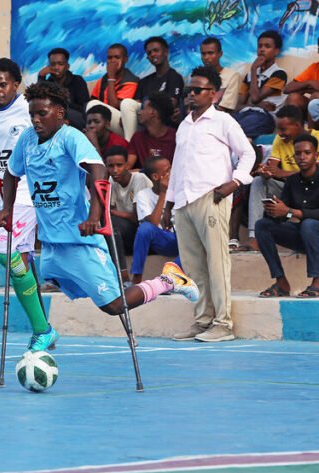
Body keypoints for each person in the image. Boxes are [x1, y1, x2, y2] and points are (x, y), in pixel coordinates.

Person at [0, 81, 198, 346]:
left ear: (59, 113)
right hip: (52, 242)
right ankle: (45, 333)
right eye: (32, 114)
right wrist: (6, 208)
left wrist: (95, 215)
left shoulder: (70, 137)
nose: (35, 120)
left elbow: (98, 171)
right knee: (43, 278)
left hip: (80, 241)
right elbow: (11, 173)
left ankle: (168, 280)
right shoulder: (28, 139)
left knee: (114, 305)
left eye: (41, 113)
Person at [165, 66, 256, 342]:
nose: (190, 94)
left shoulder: (223, 122)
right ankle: (203, 321)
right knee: (193, 268)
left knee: (217, 264)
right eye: (189, 90)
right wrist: (169, 203)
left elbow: (248, 153)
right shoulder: (184, 124)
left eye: (197, 90)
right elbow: (178, 167)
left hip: (211, 197)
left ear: (214, 94)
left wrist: (235, 182)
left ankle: (223, 324)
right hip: (183, 201)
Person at [0, 58, 58, 347]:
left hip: (28, 193)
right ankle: (42, 331)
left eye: (3, 85)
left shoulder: (29, 112)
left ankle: (43, 329)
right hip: (8, 196)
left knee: (0, 250)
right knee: (21, 264)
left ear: (16, 84)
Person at [245, 105, 319, 251]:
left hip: (313, 192)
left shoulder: (316, 138)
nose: (279, 133)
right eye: (278, 129)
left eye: (283, 129)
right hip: (288, 190)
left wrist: (281, 173)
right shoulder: (280, 139)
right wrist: (267, 173)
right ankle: (254, 237)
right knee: (259, 182)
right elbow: (273, 168)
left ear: (297, 125)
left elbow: (314, 171)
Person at [256, 133, 319, 298]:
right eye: (298, 154)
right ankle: (281, 282)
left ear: (316, 156)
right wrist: (274, 210)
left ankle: (317, 283)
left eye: (307, 153)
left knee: (309, 224)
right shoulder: (293, 181)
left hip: (313, 232)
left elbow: (295, 213)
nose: (302, 157)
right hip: (306, 237)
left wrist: (290, 211)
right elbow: (284, 214)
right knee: (262, 225)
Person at [105, 145, 151, 283]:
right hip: (124, 230)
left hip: (143, 231)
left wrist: (111, 211)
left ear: (127, 165)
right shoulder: (112, 180)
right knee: (108, 225)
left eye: (119, 165)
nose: (115, 170)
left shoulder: (139, 179)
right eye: (110, 166)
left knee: (113, 223)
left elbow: (137, 217)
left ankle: (123, 274)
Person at [130, 156, 180, 284]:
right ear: (156, 177)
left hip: (183, 241)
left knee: (194, 244)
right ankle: (137, 277)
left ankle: (166, 278)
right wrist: (163, 193)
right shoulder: (143, 194)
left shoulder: (180, 191)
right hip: (162, 240)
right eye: (168, 170)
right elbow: (153, 223)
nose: (172, 173)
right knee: (144, 228)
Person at [234, 30, 288, 139]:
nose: (262, 49)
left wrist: (254, 69)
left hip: (265, 117)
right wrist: (256, 105)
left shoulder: (279, 74)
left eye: (267, 46)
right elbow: (238, 106)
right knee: (222, 123)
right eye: (260, 46)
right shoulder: (249, 75)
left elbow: (255, 98)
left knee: (236, 132)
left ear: (276, 51)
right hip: (245, 113)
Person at [122, 36, 185, 129]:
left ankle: (131, 142)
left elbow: (172, 104)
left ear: (165, 52)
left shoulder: (175, 77)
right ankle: (131, 142)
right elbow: (134, 105)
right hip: (142, 121)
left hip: (162, 125)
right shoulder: (144, 81)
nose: (152, 54)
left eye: (156, 50)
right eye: (149, 53)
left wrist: (149, 106)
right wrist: (125, 116)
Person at [86, 44, 139, 139]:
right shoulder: (103, 79)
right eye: (110, 58)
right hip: (104, 123)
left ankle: (129, 146)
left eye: (117, 57)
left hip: (123, 124)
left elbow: (114, 105)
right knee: (91, 105)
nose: (113, 60)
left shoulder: (131, 80)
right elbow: (92, 102)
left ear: (125, 59)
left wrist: (111, 78)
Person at [38, 48, 89, 130]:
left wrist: (64, 103)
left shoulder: (77, 81)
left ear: (67, 66)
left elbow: (84, 107)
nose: (56, 67)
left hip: (76, 119)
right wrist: (41, 77)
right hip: (54, 120)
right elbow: (39, 102)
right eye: (53, 64)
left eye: (60, 64)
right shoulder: (48, 83)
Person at [126, 92, 177, 169]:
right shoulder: (137, 137)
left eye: (143, 109)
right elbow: (127, 167)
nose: (139, 113)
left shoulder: (176, 137)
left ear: (152, 112)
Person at [200, 37, 242, 113]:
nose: (206, 57)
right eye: (203, 54)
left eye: (210, 53)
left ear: (220, 54)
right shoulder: (197, 77)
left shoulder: (232, 76)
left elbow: (224, 108)